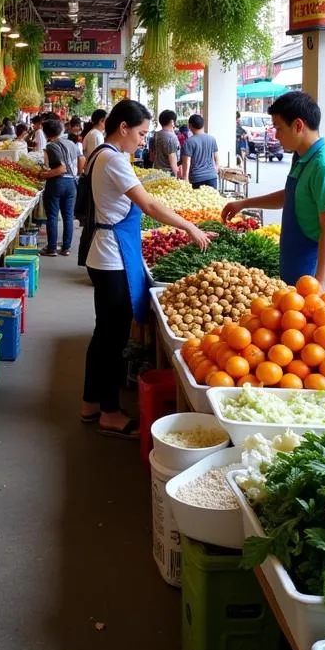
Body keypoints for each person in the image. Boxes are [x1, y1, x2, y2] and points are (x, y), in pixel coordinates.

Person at [81, 100, 213, 437]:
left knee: (102, 335)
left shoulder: (102, 154)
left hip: (105, 255)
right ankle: (109, 411)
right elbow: (150, 204)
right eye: (140, 133)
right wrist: (190, 227)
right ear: (123, 128)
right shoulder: (113, 158)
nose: (143, 140)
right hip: (113, 260)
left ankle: (91, 403)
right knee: (112, 339)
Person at [223, 91, 325, 289]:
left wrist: (320, 285)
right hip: (294, 268)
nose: (276, 135)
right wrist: (244, 203)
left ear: (298, 125)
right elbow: (290, 196)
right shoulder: (302, 157)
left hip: (312, 276)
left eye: (279, 128)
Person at [37, 118, 80, 257]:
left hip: (57, 183)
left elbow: (61, 169)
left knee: (53, 216)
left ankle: (52, 248)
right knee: (68, 216)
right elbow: (82, 159)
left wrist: (45, 174)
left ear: (45, 133)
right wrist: (77, 173)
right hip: (71, 183)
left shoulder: (51, 145)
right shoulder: (71, 143)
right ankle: (66, 248)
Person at [179, 114, 219, 189]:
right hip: (211, 177)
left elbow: (187, 161)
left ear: (190, 126)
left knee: (198, 200)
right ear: (203, 125)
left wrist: (185, 178)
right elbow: (217, 157)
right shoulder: (212, 139)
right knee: (212, 200)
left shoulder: (189, 142)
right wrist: (215, 169)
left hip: (196, 178)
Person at [149, 110, 180, 176]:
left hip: (157, 170)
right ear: (172, 121)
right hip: (167, 173)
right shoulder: (171, 138)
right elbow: (173, 160)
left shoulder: (157, 134)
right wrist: (177, 176)